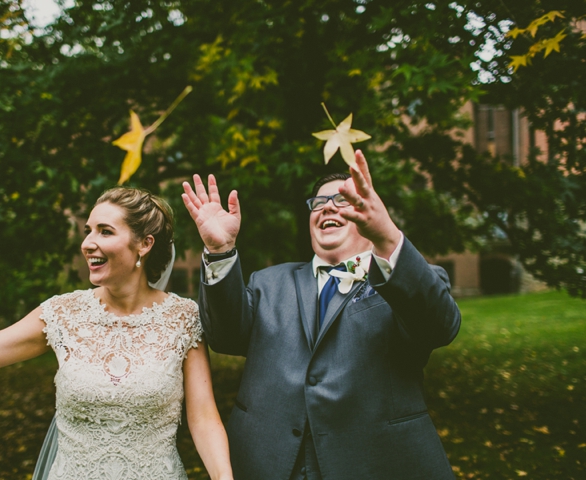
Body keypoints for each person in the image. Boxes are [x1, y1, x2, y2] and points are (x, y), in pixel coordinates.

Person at [0, 187, 234, 480]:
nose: (87, 242)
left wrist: (223, 477)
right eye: (88, 229)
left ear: (144, 244)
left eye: (105, 231)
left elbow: (202, 417)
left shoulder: (182, 318)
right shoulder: (62, 314)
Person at [181, 150, 461, 479]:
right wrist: (220, 251)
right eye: (318, 202)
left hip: (374, 464)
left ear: (369, 212)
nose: (327, 206)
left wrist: (387, 237)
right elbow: (224, 336)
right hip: (269, 464)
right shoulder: (268, 283)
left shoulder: (407, 280)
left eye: (341, 199)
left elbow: (439, 327)